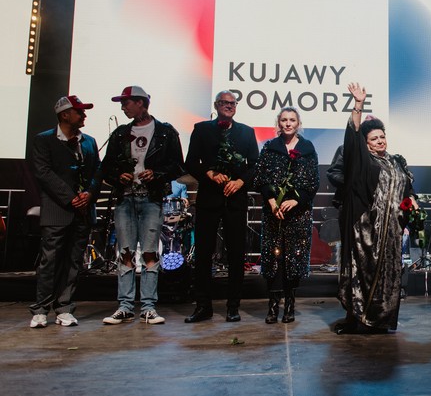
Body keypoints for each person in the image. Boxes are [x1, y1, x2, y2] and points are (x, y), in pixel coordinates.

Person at [100, 86, 185, 326]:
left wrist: (156, 174)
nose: (123, 107)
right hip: (125, 198)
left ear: (141, 103)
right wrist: (119, 176)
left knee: (150, 253)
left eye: (126, 103)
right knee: (125, 253)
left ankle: (148, 307)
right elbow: (106, 167)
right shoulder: (120, 134)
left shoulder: (165, 132)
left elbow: (178, 166)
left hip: (151, 199)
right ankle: (125, 306)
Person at [336, 83, 415, 334]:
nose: (380, 141)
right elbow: (353, 137)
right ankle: (354, 318)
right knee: (363, 273)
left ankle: (381, 319)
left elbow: (407, 190)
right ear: (366, 143)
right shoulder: (362, 160)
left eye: (382, 136)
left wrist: (411, 202)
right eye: (374, 138)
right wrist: (358, 105)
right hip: (367, 229)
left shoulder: (396, 162)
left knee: (388, 277)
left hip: (392, 231)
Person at [184, 90, 259, 323]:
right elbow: (190, 162)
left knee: (236, 254)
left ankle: (233, 306)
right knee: (203, 253)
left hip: (235, 199)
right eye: (225, 103)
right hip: (209, 199)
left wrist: (240, 182)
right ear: (216, 105)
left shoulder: (246, 132)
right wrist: (208, 173)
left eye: (233, 103)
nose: (229, 106)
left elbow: (255, 165)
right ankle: (203, 306)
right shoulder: (202, 129)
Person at [29, 95, 102, 328]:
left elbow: (97, 172)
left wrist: (89, 194)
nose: (84, 115)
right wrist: (71, 198)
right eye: (79, 112)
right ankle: (41, 309)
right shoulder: (44, 140)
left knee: (74, 261)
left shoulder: (89, 141)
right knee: (49, 261)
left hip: (83, 211)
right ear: (65, 115)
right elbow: (44, 173)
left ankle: (64, 307)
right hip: (57, 209)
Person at [252, 107, 319, 324]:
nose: (288, 123)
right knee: (274, 259)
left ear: (298, 123)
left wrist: (296, 200)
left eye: (292, 120)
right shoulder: (270, 147)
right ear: (278, 123)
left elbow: (313, 182)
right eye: (284, 120)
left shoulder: (307, 148)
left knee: (294, 259)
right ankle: (272, 307)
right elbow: (260, 178)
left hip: (298, 214)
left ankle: (289, 306)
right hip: (274, 214)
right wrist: (272, 202)